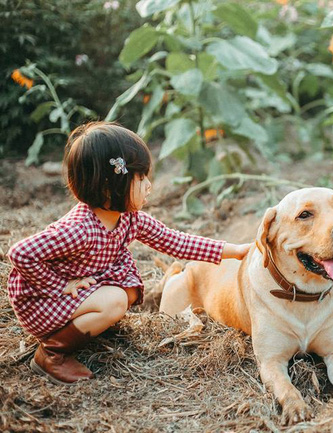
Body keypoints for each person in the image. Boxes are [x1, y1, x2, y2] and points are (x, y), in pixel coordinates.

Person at [6, 122, 251, 385]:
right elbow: (20, 254)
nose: (149, 186)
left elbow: (176, 241)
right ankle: (52, 353)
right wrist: (62, 286)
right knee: (114, 301)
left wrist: (234, 251)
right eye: (141, 177)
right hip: (44, 300)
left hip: (86, 279)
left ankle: (88, 325)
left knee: (129, 292)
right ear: (110, 186)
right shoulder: (79, 229)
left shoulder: (130, 219)